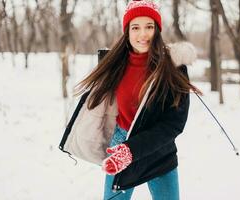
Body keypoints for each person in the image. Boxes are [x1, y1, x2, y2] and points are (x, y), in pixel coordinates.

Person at [59, 0, 200, 199]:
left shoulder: (172, 69)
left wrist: (131, 150)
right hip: (120, 143)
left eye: (149, 27)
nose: (142, 34)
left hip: (159, 148)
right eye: (136, 27)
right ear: (127, 31)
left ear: (157, 30)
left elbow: (173, 124)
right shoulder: (113, 66)